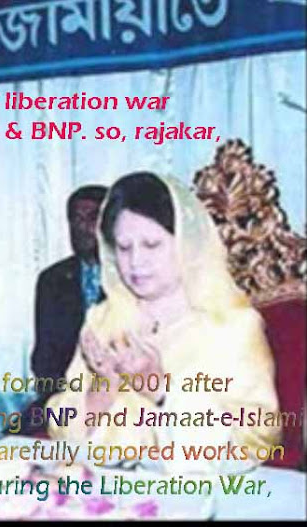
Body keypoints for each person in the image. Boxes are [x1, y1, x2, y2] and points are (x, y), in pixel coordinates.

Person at [46, 172, 280, 473]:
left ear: (186, 244)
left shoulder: (232, 326)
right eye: (124, 247)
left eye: (152, 244)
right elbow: (61, 430)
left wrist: (161, 391)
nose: (135, 262)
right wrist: (102, 392)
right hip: (107, 488)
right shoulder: (104, 319)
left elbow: (256, 440)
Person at [31, 185, 107, 388]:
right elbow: (44, 357)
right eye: (76, 219)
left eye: (92, 218)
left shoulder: (132, 276)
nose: (82, 227)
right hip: (64, 391)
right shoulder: (52, 280)